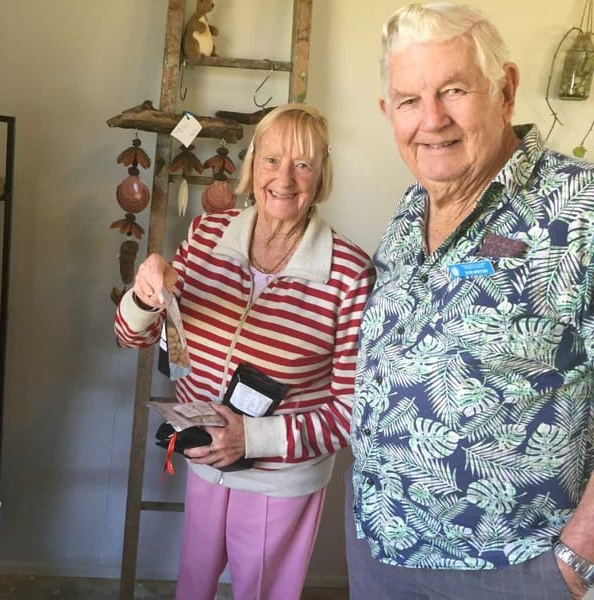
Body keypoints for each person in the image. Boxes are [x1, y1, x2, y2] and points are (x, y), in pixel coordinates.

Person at [347, 4, 594, 600]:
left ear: (505, 90)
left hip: (516, 566)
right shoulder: (410, 211)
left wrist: (577, 559)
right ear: (389, 114)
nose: (431, 120)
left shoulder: (580, 207)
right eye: (408, 100)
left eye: (454, 90)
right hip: (381, 549)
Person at [115, 103, 375, 600]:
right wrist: (145, 296)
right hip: (202, 453)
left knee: (260, 593)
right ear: (253, 165)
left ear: (322, 176)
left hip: (279, 475)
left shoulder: (349, 273)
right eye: (272, 159)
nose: (285, 177)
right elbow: (134, 338)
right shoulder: (207, 235)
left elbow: (351, 412)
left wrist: (249, 438)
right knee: (193, 585)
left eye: (303, 163)